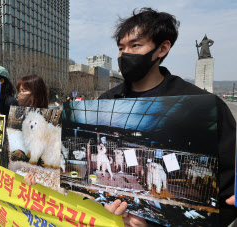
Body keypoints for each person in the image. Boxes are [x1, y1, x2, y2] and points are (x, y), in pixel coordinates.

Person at [98, 8, 236, 227]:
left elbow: (228, 182)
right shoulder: (106, 102)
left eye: (135, 45)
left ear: (162, 48)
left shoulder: (201, 105)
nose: (124, 55)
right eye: (121, 48)